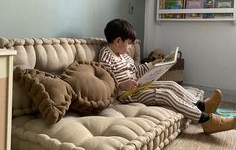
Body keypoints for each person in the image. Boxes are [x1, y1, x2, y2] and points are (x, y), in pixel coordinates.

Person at [98, 18, 236, 135]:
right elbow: (106, 82)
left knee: (171, 84)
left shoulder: (124, 56)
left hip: (138, 85)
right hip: (127, 95)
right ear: (118, 41)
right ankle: (206, 121)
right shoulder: (106, 56)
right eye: (129, 43)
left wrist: (154, 64)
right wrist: (122, 85)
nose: (130, 47)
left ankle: (203, 105)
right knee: (165, 94)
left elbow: (137, 71)